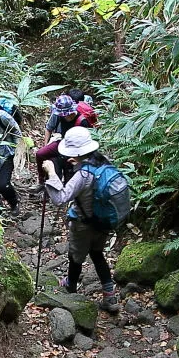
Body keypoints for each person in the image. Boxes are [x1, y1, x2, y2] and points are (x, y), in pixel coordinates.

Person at [41, 126, 120, 314]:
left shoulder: (83, 175)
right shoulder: (104, 162)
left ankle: (71, 290)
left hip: (82, 224)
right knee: (97, 254)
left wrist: (51, 173)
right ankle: (110, 296)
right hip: (104, 221)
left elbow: (61, 198)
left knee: (75, 257)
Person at [36, 94, 93, 184]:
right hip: (62, 143)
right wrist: (46, 145)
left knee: (69, 174)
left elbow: (85, 143)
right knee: (40, 154)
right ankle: (41, 180)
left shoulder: (82, 121)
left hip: (75, 149)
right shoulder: (59, 115)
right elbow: (49, 128)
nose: (64, 116)